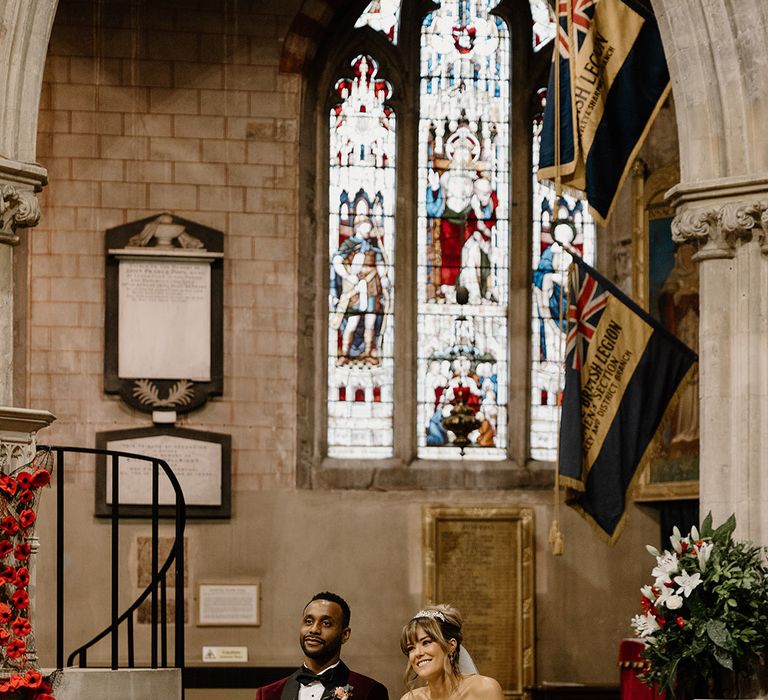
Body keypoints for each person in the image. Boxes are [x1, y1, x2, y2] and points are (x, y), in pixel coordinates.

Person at [256, 592, 389, 700]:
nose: (314, 629)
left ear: (345, 635)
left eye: (326, 623)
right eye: (308, 621)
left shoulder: (368, 692)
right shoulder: (268, 694)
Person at [399, 604, 503, 700]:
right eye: (411, 648)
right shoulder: (410, 699)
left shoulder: (485, 690)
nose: (418, 653)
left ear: (451, 645)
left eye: (426, 642)